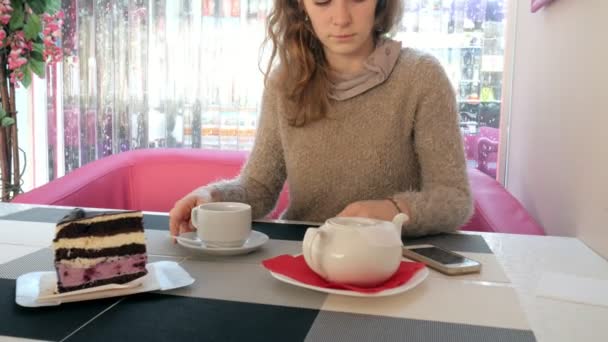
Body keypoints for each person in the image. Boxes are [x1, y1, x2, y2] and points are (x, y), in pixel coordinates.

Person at [169, 0, 472, 239]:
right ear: (301, 4)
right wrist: (212, 196)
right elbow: (260, 187)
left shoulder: (421, 76)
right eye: (322, 0)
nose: (341, 18)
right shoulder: (284, 83)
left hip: (391, 261)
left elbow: (454, 199)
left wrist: (393, 211)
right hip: (306, 256)